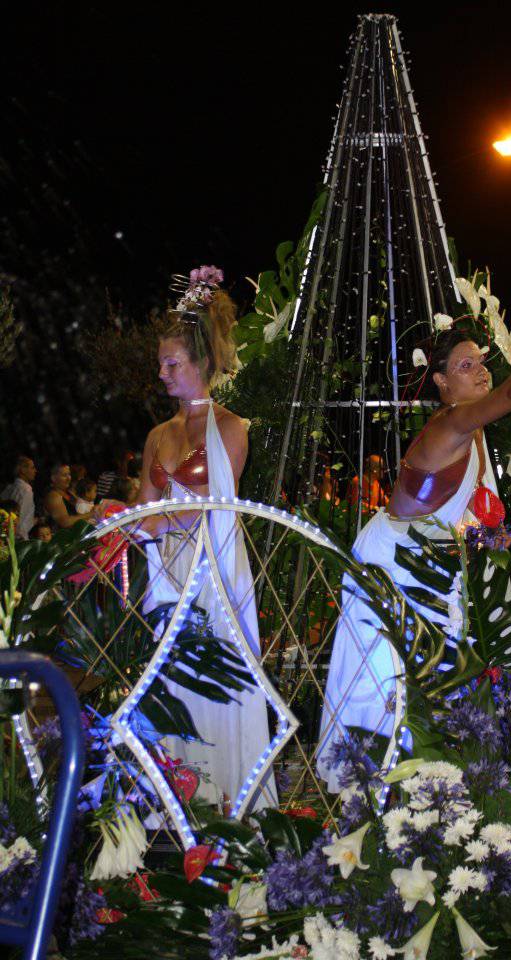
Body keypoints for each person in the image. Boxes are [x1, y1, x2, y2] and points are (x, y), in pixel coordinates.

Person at [317, 322, 511, 790]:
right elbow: (509, 398)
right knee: (386, 674)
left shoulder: (475, 432)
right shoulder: (454, 422)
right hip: (394, 560)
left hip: (431, 560)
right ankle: (375, 782)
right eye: (466, 366)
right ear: (442, 383)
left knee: (435, 668)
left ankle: (434, 780)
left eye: (481, 362)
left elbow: (463, 509)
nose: (481, 372)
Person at [134, 265, 275, 813]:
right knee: (169, 681)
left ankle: (228, 802)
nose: (164, 374)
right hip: (166, 569)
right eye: (161, 364)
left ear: (202, 363)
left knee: (219, 677)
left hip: (215, 571)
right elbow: (146, 509)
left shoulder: (233, 429)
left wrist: (156, 520)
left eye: (173, 364)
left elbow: (213, 508)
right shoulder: (156, 436)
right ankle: (173, 798)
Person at [43, 463, 92, 529]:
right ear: (53, 478)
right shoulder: (53, 496)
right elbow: (65, 522)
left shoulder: (68, 492)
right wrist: (91, 514)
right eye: (64, 475)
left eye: (69, 474)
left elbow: (77, 514)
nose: (68, 478)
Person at [1, 455, 36, 539]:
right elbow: (21, 522)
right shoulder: (26, 490)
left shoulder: (9, 488)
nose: (35, 471)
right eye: (32, 468)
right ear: (23, 470)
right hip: (17, 540)